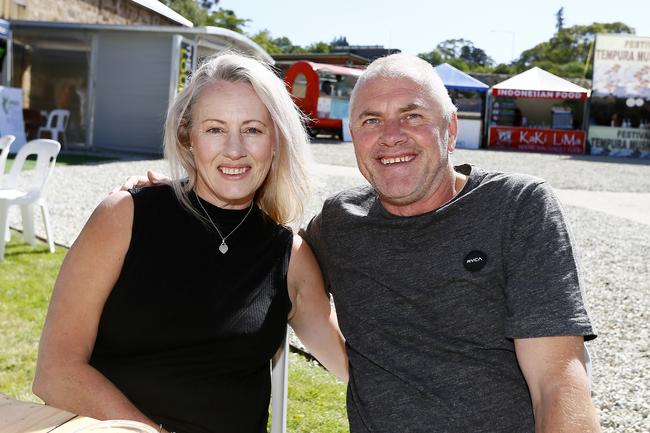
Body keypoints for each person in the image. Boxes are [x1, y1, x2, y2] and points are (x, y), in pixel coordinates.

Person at [120, 54, 602, 432]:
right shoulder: (340, 221)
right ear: (353, 136)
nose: (391, 136)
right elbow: (254, 252)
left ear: (450, 128)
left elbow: (557, 381)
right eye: (371, 121)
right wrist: (184, 200)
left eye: (412, 116)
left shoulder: (517, 208)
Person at [33, 53, 347, 433]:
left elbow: (355, 367)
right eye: (215, 129)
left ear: (277, 140)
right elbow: (56, 372)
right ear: (188, 137)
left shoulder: (287, 254)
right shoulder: (124, 217)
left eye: (253, 129)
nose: (235, 149)